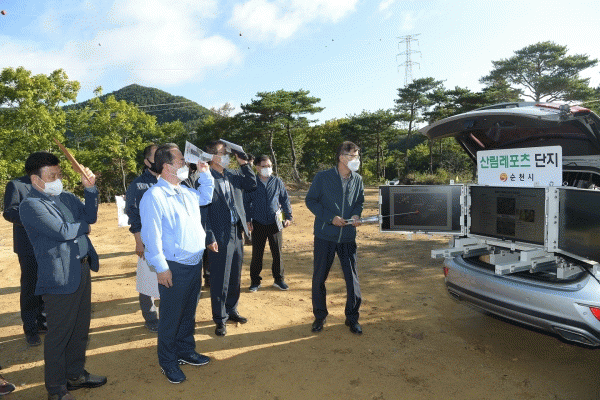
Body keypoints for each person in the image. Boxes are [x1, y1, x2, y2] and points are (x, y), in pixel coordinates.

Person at [19, 152, 106, 400]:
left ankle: (75, 375)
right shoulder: (31, 205)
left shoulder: (66, 197)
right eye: (52, 176)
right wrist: (84, 227)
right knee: (59, 335)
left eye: (59, 174)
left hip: (81, 268)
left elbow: (90, 215)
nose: (57, 179)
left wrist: (90, 189)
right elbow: (62, 231)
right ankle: (56, 390)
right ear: (35, 179)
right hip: (59, 277)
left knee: (80, 328)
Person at [140, 143, 215, 384]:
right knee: (171, 317)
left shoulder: (186, 191)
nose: (185, 163)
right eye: (181, 160)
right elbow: (151, 237)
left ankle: (185, 350)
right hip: (173, 266)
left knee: (188, 313)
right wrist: (161, 268)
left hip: (194, 262)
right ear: (167, 166)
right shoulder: (154, 196)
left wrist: (205, 173)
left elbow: (206, 196)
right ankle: (168, 361)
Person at [305, 141, 365, 335]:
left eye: (357, 156)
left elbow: (359, 201)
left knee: (352, 279)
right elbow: (310, 200)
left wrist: (356, 215)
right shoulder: (322, 177)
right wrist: (330, 218)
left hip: (347, 237)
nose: (356, 159)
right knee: (319, 278)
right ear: (341, 157)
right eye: (353, 156)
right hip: (325, 235)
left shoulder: (358, 179)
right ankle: (320, 316)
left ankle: (352, 318)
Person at [204, 140, 256, 337]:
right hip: (219, 235)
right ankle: (220, 318)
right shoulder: (204, 178)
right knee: (220, 278)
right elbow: (202, 212)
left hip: (236, 231)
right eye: (222, 153)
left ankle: (232, 309)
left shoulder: (233, 174)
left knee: (235, 275)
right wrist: (209, 236)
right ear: (212, 157)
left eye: (227, 153)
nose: (226, 156)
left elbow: (251, 184)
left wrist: (245, 164)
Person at [3, 174, 48, 346]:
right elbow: (9, 211)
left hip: (49, 244)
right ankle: (30, 329)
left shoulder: (48, 183)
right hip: (28, 247)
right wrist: (33, 219)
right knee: (31, 287)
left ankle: (43, 322)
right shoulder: (16, 185)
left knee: (46, 285)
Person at [244, 155, 293, 292]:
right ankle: (255, 281)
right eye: (264, 166)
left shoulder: (277, 181)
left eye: (270, 166)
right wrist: (248, 220)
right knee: (257, 253)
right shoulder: (251, 182)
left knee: (277, 253)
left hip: (275, 222)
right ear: (257, 167)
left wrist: (288, 217)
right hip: (257, 222)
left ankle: (279, 280)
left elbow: (284, 199)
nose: (268, 168)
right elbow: (246, 202)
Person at [125, 144, 160, 332]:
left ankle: (168, 315)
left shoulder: (171, 181)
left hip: (169, 241)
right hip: (148, 240)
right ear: (147, 161)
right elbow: (133, 214)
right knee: (148, 280)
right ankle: (151, 318)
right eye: (156, 157)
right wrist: (139, 242)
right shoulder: (138, 184)